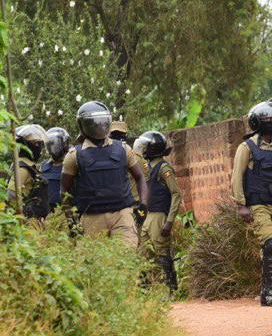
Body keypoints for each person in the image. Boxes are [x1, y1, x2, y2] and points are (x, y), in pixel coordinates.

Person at [60, 101, 148, 247]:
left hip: (122, 216)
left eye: (102, 122)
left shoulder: (124, 149)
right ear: (83, 126)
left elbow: (140, 177)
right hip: (91, 218)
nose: (99, 127)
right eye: (93, 123)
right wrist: (71, 221)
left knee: (125, 260)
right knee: (94, 265)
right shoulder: (74, 155)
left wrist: (143, 205)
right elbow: (64, 190)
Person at [232, 101, 272, 307]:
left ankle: (266, 291)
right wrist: (241, 204)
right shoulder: (246, 147)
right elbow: (237, 176)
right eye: (267, 119)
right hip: (257, 204)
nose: (270, 122)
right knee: (270, 243)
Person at [136, 130, 181, 292]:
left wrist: (169, 221)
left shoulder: (163, 168)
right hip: (148, 216)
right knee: (143, 254)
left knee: (162, 253)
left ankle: (171, 290)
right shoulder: (148, 168)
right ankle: (144, 291)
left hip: (159, 216)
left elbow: (176, 194)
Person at [7, 123, 50, 222]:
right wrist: (23, 217)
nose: (38, 147)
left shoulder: (26, 165)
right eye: (35, 143)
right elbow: (11, 195)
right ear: (25, 145)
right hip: (26, 224)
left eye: (39, 144)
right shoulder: (23, 167)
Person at [40, 126, 71, 213]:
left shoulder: (71, 162)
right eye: (51, 144)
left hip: (68, 211)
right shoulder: (43, 166)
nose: (54, 147)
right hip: (48, 213)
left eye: (56, 144)